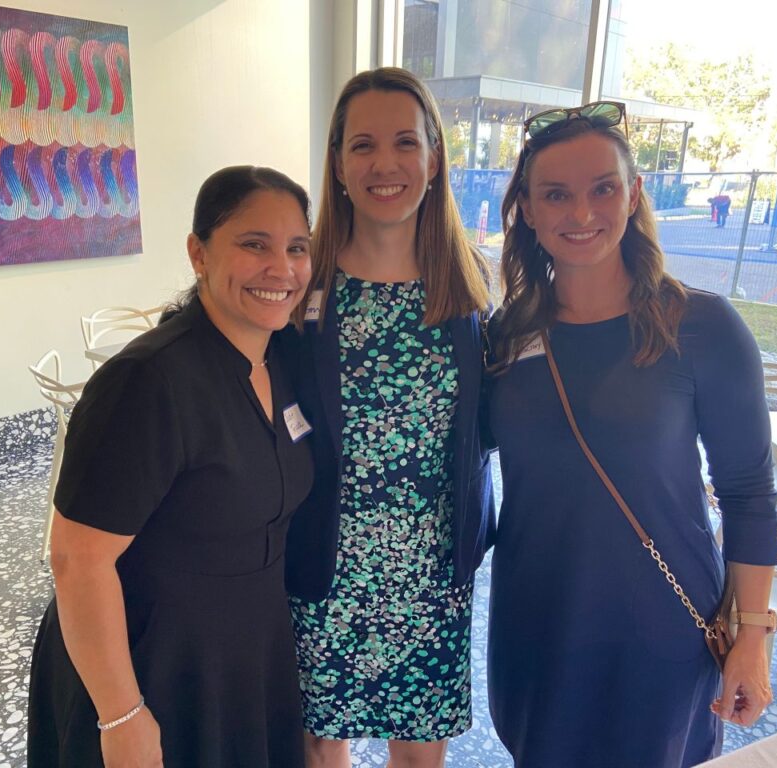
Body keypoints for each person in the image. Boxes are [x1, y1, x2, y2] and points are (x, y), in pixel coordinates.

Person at [485, 102, 777, 768]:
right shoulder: (507, 335)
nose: (581, 212)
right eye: (555, 194)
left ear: (634, 193)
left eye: (602, 189)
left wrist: (753, 636)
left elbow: (747, 492)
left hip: (659, 624)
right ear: (527, 209)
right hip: (536, 618)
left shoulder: (700, 327)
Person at [27, 165, 314, 768]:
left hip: (246, 653)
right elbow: (78, 560)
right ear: (199, 253)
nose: (281, 268)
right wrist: (121, 715)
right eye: (254, 244)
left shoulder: (280, 361)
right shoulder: (147, 381)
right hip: (151, 664)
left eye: (296, 248)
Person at [282, 67, 494, 768]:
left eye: (405, 142)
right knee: (321, 748)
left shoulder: (469, 287)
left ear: (434, 159)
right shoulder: (301, 286)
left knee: (420, 754)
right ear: (338, 164)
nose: (385, 164)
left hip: (433, 569)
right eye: (363, 145)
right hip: (325, 562)